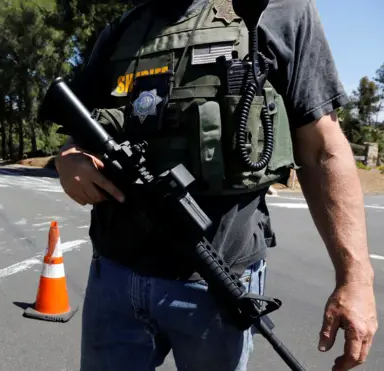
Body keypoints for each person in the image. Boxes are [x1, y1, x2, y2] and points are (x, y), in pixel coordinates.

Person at [52, 0, 378, 370]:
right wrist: (68, 158)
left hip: (219, 287)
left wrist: (356, 279)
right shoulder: (122, 30)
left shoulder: (280, 12)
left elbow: (322, 150)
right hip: (114, 278)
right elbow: (80, 126)